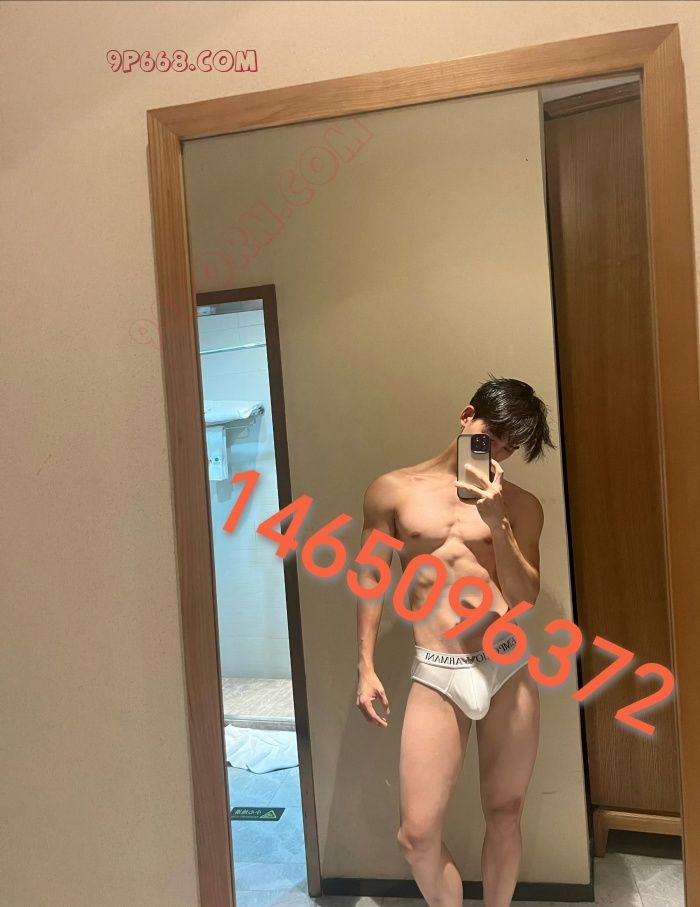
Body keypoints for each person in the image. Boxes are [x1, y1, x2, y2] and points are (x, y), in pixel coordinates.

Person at [355, 375, 555, 907]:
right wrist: (365, 666)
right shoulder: (393, 490)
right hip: (437, 668)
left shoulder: (521, 505)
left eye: (509, 449)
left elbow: (525, 598)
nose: (497, 454)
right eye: (491, 438)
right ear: (468, 416)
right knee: (416, 837)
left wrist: (497, 522)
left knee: (506, 813)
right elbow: (370, 577)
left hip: (506, 668)